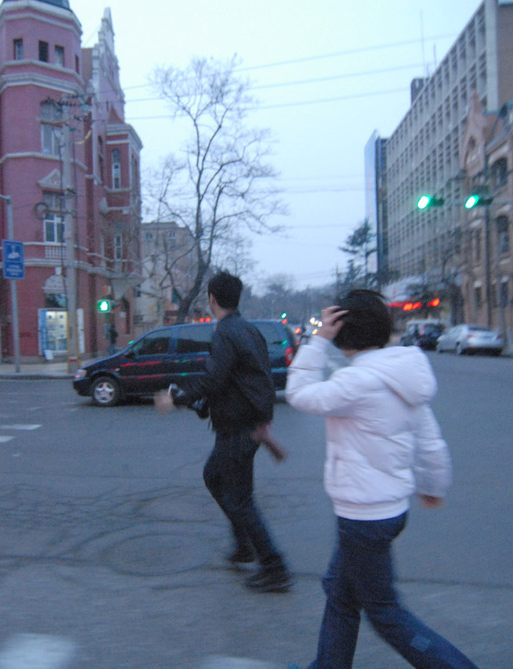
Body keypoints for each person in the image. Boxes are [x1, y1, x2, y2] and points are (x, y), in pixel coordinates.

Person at [286, 290, 477, 669]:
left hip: (363, 517)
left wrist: (318, 339)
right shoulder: (401, 374)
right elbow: (430, 441)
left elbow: (298, 393)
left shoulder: (356, 382)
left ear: (344, 333)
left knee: (385, 612)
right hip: (387, 510)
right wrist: (433, 487)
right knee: (341, 593)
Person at [154, 271, 292, 593]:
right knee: (214, 478)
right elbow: (245, 379)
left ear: (212, 300)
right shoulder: (250, 331)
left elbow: (213, 379)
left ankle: (274, 567)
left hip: (239, 428)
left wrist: (175, 397)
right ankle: (243, 545)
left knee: (240, 499)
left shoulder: (226, 333)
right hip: (246, 424)